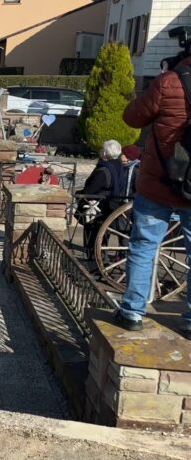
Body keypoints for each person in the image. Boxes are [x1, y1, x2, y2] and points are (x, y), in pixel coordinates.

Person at [115, 49, 191, 338]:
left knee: (144, 246)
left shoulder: (169, 81)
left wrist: (162, 77)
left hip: (159, 182)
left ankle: (133, 311)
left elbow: (132, 118)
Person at [79, 140, 126, 258]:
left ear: (105, 153)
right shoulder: (119, 167)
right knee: (104, 234)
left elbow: (91, 190)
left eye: (102, 150)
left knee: (93, 234)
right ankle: (101, 256)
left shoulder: (104, 169)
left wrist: (81, 193)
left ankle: (93, 259)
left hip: (99, 206)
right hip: (113, 205)